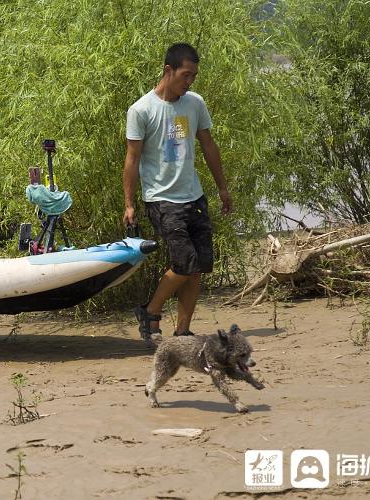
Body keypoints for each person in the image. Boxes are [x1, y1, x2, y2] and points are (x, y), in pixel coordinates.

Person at [122, 43, 232, 342]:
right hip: (161, 199)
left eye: (193, 76)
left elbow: (209, 146)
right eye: (185, 75)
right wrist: (129, 203)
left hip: (194, 196)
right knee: (184, 263)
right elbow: (132, 159)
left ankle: (183, 331)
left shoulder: (195, 104)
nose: (190, 81)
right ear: (168, 70)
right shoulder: (141, 110)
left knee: (197, 267)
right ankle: (151, 311)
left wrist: (222, 188)